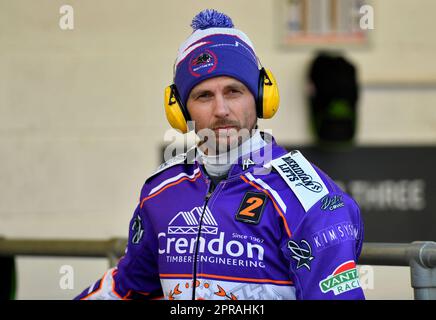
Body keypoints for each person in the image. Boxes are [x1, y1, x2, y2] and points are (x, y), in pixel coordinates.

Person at [75, 9, 365, 300]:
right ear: (180, 111)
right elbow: (129, 288)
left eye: (234, 91)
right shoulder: (161, 191)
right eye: (204, 96)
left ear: (262, 98)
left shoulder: (309, 199)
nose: (221, 110)